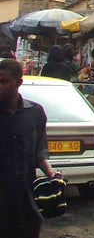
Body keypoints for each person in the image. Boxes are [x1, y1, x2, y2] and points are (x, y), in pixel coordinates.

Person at [0, 58, 60, 238]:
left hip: (26, 196)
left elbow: (39, 150)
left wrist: (51, 173)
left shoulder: (35, 113)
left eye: (4, 82)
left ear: (19, 82)